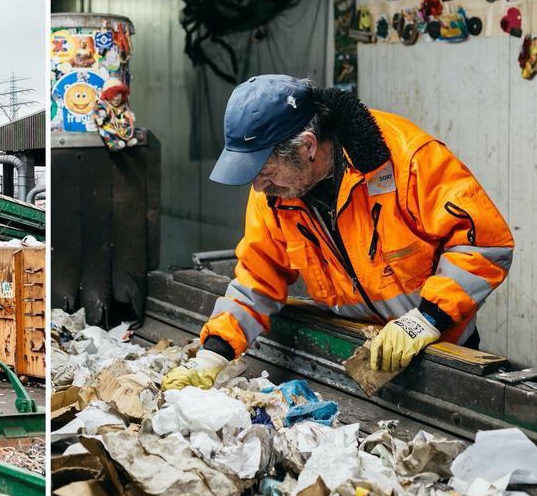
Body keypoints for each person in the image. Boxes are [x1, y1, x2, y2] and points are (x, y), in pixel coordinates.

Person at [166, 75, 513, 389]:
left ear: (307, 147)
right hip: (358, 352)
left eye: (265, 169)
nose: (257, 185)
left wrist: (426, 320)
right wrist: (213, 355)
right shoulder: (274, 195)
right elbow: (257, 278)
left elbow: (482, 244)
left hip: (438, 349)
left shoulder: (407, 158)